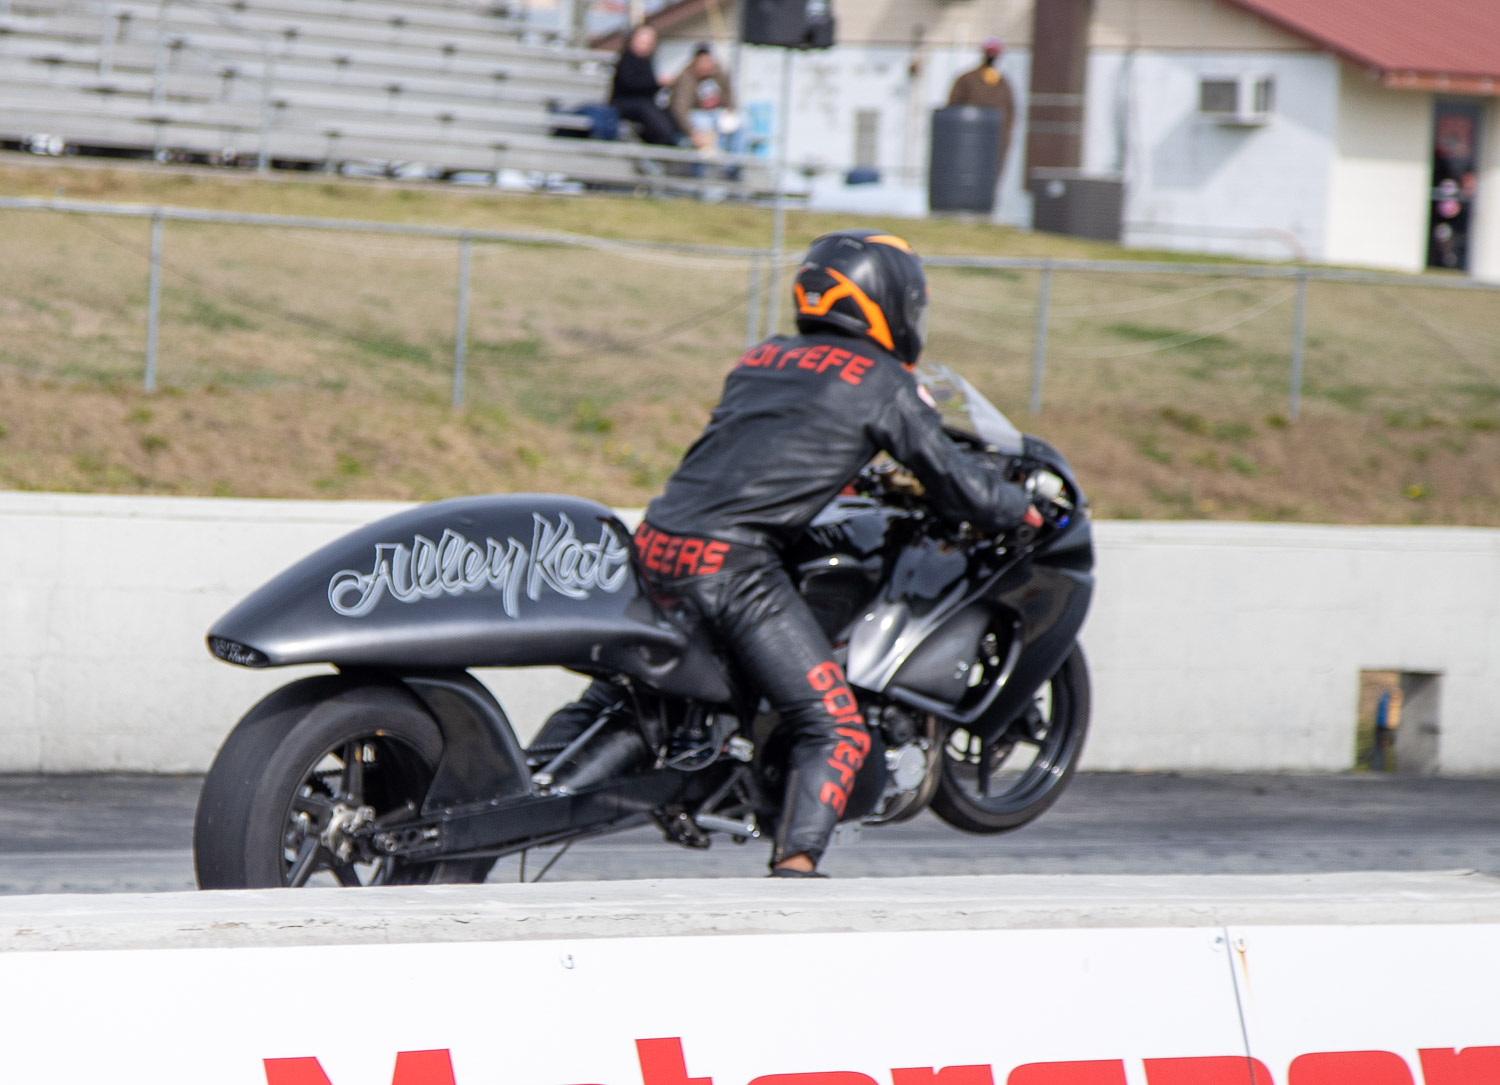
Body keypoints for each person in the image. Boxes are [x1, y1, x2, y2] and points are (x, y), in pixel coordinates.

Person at [535, 231, 1033, 877]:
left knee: (613, 695)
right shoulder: (882, 380)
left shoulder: (763, 356)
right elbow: (956, 481)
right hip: (729, 569)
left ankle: (519, 780)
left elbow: (765, 446)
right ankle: (795, 876)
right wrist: (1016, 507)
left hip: (654, 546)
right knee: (837, 729)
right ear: (887, 301)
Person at [947, 38, 1017, 178]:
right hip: (969, 139)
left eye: (995, 54)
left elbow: (1011, 112)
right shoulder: (967, 80)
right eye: (990, 53)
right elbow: (953, 109)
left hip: (996, 140)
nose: (993, 57)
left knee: (989, 175)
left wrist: (1006, 135)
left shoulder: (1003, 84)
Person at [609, 24, 685, 148]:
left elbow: (648, 89)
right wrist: (656, 82)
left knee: (667, 111)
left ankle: (676, 140)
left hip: (643, 104)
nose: (646, 45)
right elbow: (631, 85)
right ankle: (664, 143)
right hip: (624, 103)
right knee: (647, 111)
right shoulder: (625, 59)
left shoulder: (647, 62)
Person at [669, 43, 740, 155]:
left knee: (741, 123)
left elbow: (729, 95)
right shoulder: (686, 77)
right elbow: (680, 108)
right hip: (697, 114)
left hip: (718, 113)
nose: (705, 65)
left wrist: (730, 112)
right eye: (702, 62)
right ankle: (708, 162)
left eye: (708, 61)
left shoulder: (719, 73)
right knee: (704, 124)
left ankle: (735, 161)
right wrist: (691, 132)